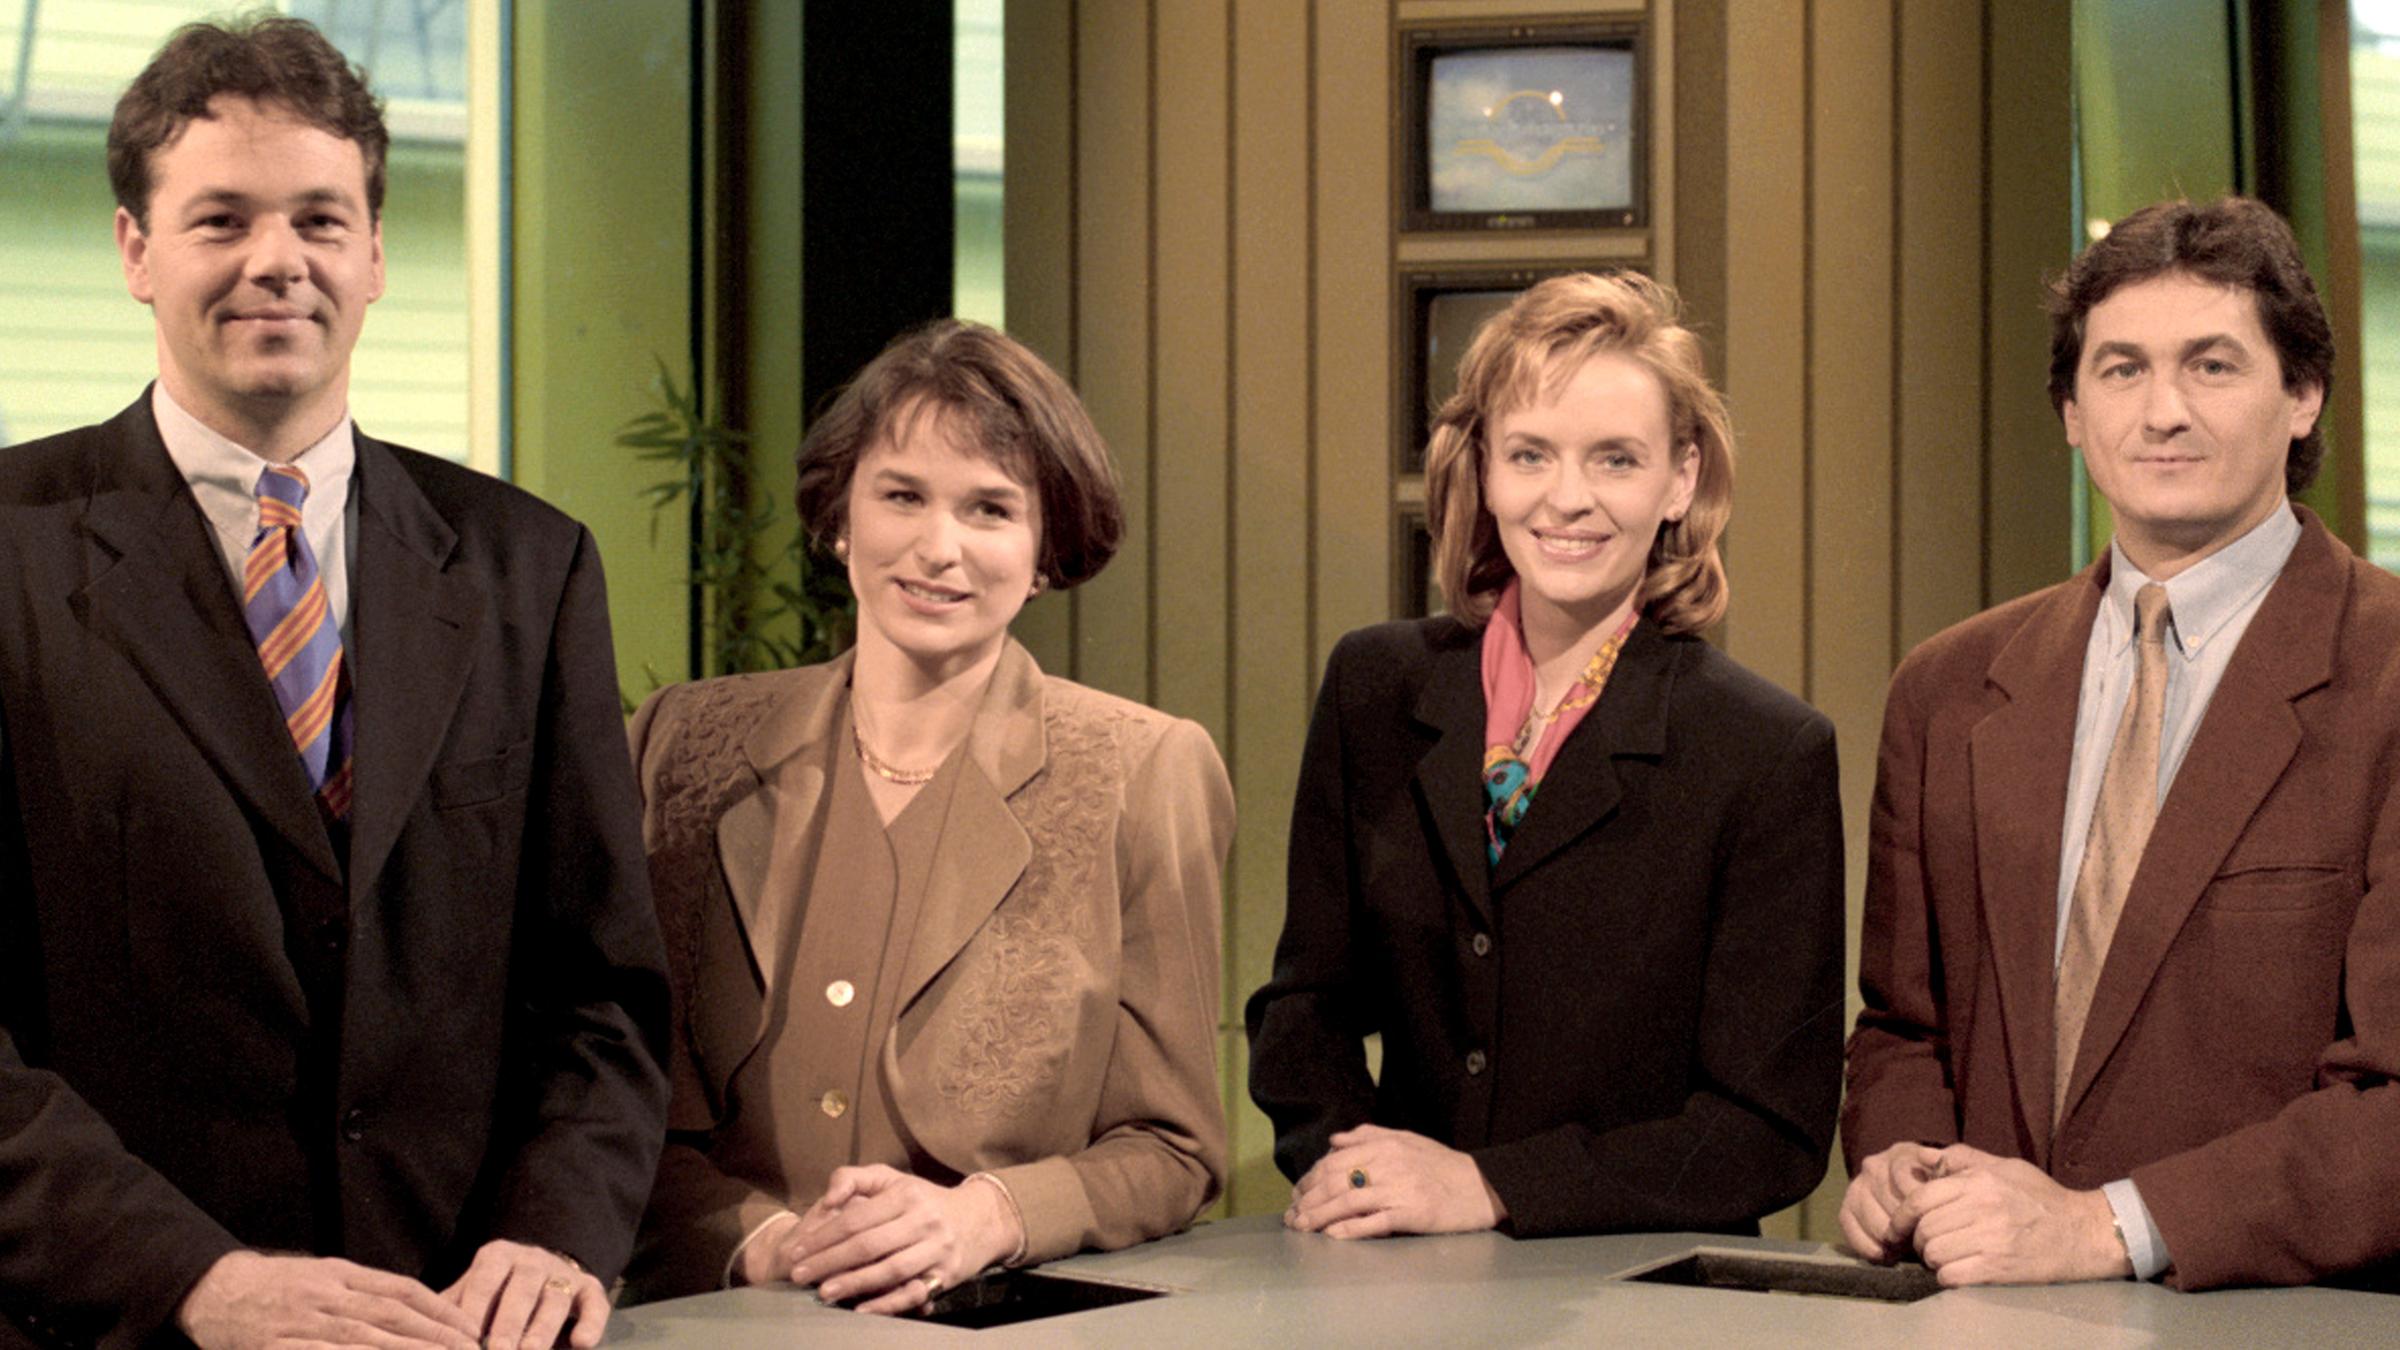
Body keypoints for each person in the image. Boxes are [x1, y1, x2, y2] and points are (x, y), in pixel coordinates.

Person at [0, 18, 669, 1350]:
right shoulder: (10, 551)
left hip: (453, 1323)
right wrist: (194, 1277)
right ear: (135, 251)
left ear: (374, 254)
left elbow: (603, 991)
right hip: (114, 1323)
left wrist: (557, 1226)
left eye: (319, 217)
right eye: (220, 219)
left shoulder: (529, 568)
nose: (275, 261)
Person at [1841, 196, 2400, 1290]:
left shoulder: (2388, 677)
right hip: (1987, 1317)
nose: (2163, 412)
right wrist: (1899, 1166)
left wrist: (2109, 1226)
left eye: (2212, 366)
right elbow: (1903, 1028)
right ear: (2069, 409)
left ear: (2303, 396)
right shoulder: (1946, 691)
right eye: (2122, 369)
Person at [624, 319, 1232, 1313]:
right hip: (707, 1315)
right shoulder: (681, 744)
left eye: (990, 509)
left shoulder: (1143, 770)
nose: (937, 548)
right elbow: (605, 1090)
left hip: (986, 1325)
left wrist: (985, 1216)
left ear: (1045, 551)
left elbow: (1174, 1151)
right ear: (839, 519)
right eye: (900, 496)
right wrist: (766, 1241)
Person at [1244, 271, 1845, 1241]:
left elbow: (1764, 1131)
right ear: (1484, 469)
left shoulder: (1765, 753)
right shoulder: (1375, 689)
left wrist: (1490, 1188)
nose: (1568, 499)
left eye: (1615, 460)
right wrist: (1356, 1172)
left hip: (1640, 1296)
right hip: (1395, 1275)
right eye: (1530, 454)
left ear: (1680, 479)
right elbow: (1303, 1012)